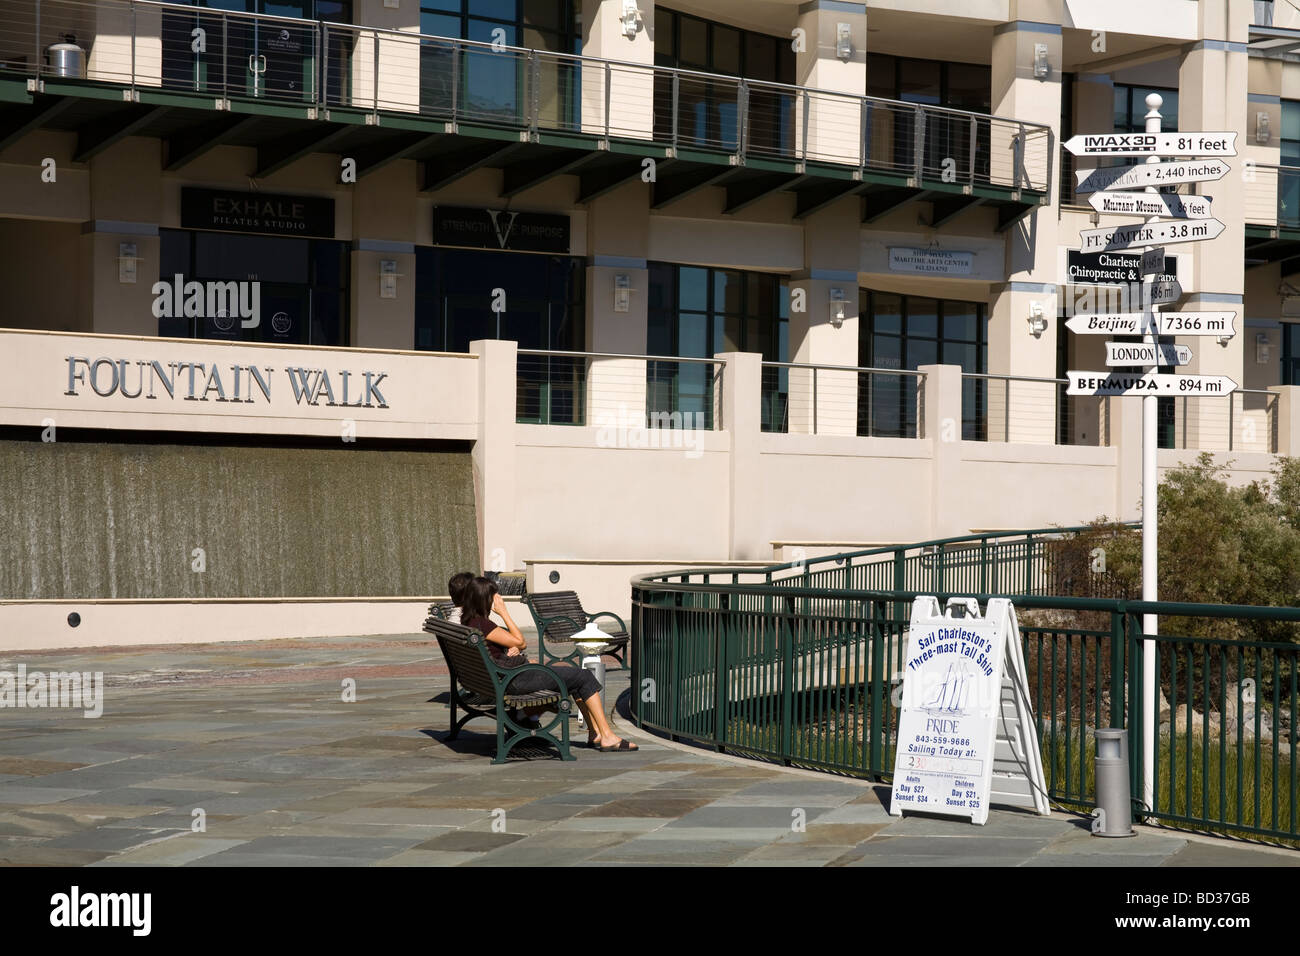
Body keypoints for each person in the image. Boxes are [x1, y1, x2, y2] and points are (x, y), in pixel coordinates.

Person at [459, 576, 637, 752]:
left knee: (573, 678)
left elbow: (498, 651)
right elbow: (520, 642)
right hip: (512, 681)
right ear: (484, 599)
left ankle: (594, 733)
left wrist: (516, 656)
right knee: (584, 676)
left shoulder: (469, 622)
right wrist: (504, 613)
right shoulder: (483, 624)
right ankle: (606, 735)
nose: (498, 600)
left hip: (500, 678)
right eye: (494, 596)